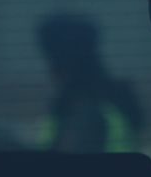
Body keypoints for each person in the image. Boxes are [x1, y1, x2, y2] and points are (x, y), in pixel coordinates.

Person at [36, 14, 143, 154]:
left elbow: (72, 166)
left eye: (53, 60)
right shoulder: (108, 99)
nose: (49, 69)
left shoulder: (86, 109)